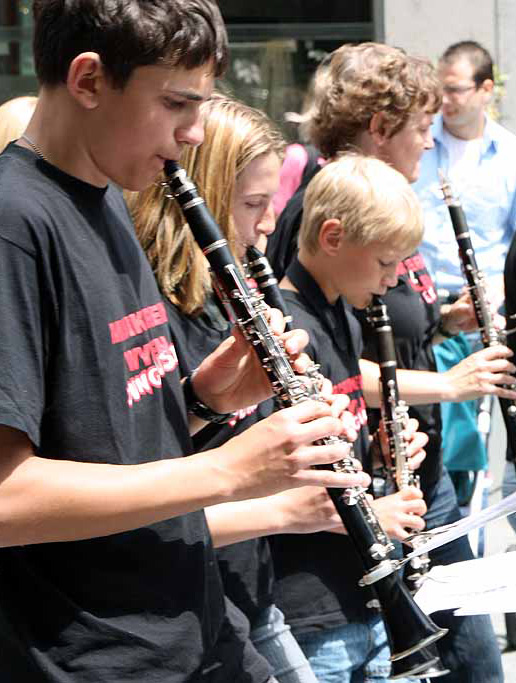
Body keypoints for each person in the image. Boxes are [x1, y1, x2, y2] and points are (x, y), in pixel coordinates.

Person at [0, 3, 370, 682]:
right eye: (177, 103)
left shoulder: (107, 197)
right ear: (87, 80)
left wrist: (204, 399)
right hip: (99, 657)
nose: (196, 133)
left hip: (196, 628)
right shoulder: (15, 223)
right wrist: (228, 469)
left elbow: (98, 437)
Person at [267, 41, 511, 682]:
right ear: (379, 128)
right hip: (365, 495)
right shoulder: (330, 209)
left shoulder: (383, 208)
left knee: (467, 651)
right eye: (421, 128)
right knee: (463, 658)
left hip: (408, 461)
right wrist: (452, 384)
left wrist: (443, 321)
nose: (429, 144)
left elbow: (380, 328)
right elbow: (327, 364)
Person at [130, 92, 336, 683]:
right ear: (203, 197)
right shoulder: (152, 308)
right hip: (189, 598)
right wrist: (285, 510)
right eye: (253, 204)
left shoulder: (225, 301)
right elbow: (149, 489)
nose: (269, 224)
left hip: (248, 591)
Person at [272, 153, 430, 683]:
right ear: (333, 238)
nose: (392, 281)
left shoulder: (342, 312)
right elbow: (288, 473)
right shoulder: (291, 328)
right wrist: (375, 512)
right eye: (386, 263)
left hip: (357, 591)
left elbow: (342, 449)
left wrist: (379, 452)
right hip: (313, 601)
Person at [413, 40, 516, 310]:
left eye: (455, 90)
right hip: (421, 307)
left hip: (486, 310)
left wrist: (501, 288)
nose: (443, 99)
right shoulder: (413, 142)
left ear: (486, 89)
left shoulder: (510, 156)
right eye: (440, 89)